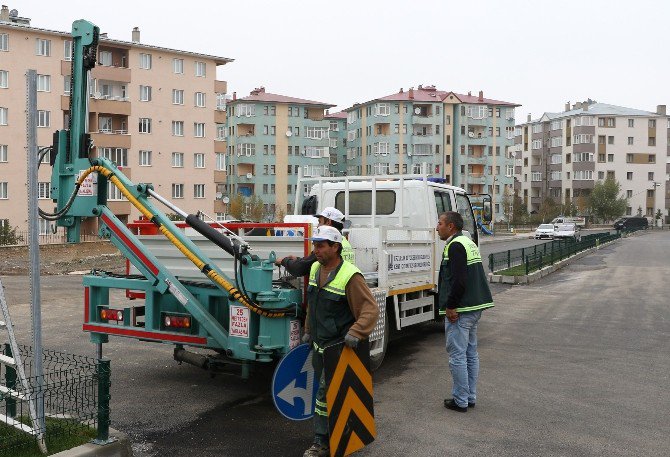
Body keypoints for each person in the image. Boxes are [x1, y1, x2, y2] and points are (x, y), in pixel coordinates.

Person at [302, 225, 378, 457]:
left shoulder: (350, 275)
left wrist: (356, 332)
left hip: (338, 348)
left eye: (321, 245)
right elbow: (312, 307)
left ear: (335, 247)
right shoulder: (315, 269)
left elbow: (370, 309)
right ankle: (337, 432)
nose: (316, 250)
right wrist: (308, 330)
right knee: (325, 394)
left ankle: (321, 442)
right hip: (319, 345)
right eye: (315, 245)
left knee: (324, 395)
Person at [436, 211, 494, 413]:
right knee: (470, 353)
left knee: (457, 355)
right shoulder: (468, 242)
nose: (437, 227)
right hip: (474, 307)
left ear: (451, 226)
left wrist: (451, 306)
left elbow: (459, 281)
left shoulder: (456, 245)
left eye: (440, 223)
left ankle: (460, 400)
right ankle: (469, 397)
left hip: (462, 309)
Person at [275, 207, 356, 276]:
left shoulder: (327, 244)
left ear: (328, 222)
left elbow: (300, 269)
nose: (318, 226)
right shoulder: (344, 241)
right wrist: (298, 259)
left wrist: (283, 261)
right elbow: (312, 262)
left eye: (320, 222)